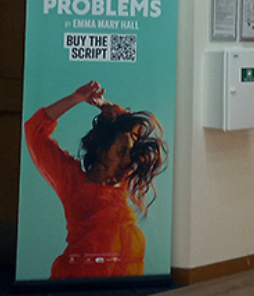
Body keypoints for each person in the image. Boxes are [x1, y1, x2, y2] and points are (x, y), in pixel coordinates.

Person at [24, 80, 166, 279]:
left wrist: (107, 106)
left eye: (130, 153)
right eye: (121, 151)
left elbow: (133, 126)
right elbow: (34, 132)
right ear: (101, 149)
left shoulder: (122, 177)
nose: (128, 160)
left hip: (122, 288)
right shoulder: (72, 182)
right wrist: (75, 99)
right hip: (78, 283)